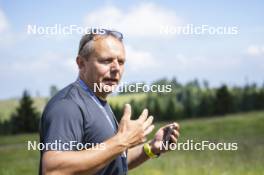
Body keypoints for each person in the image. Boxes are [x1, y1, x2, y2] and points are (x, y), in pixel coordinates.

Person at [39, 29, 180, 175]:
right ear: (81, 63)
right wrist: (121, 141)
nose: (116, 68)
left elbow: (111, 161)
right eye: (106, 60)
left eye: (121, 62)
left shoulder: (98, 101)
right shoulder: (67, 105)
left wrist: (151, 148)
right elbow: (53, 168)